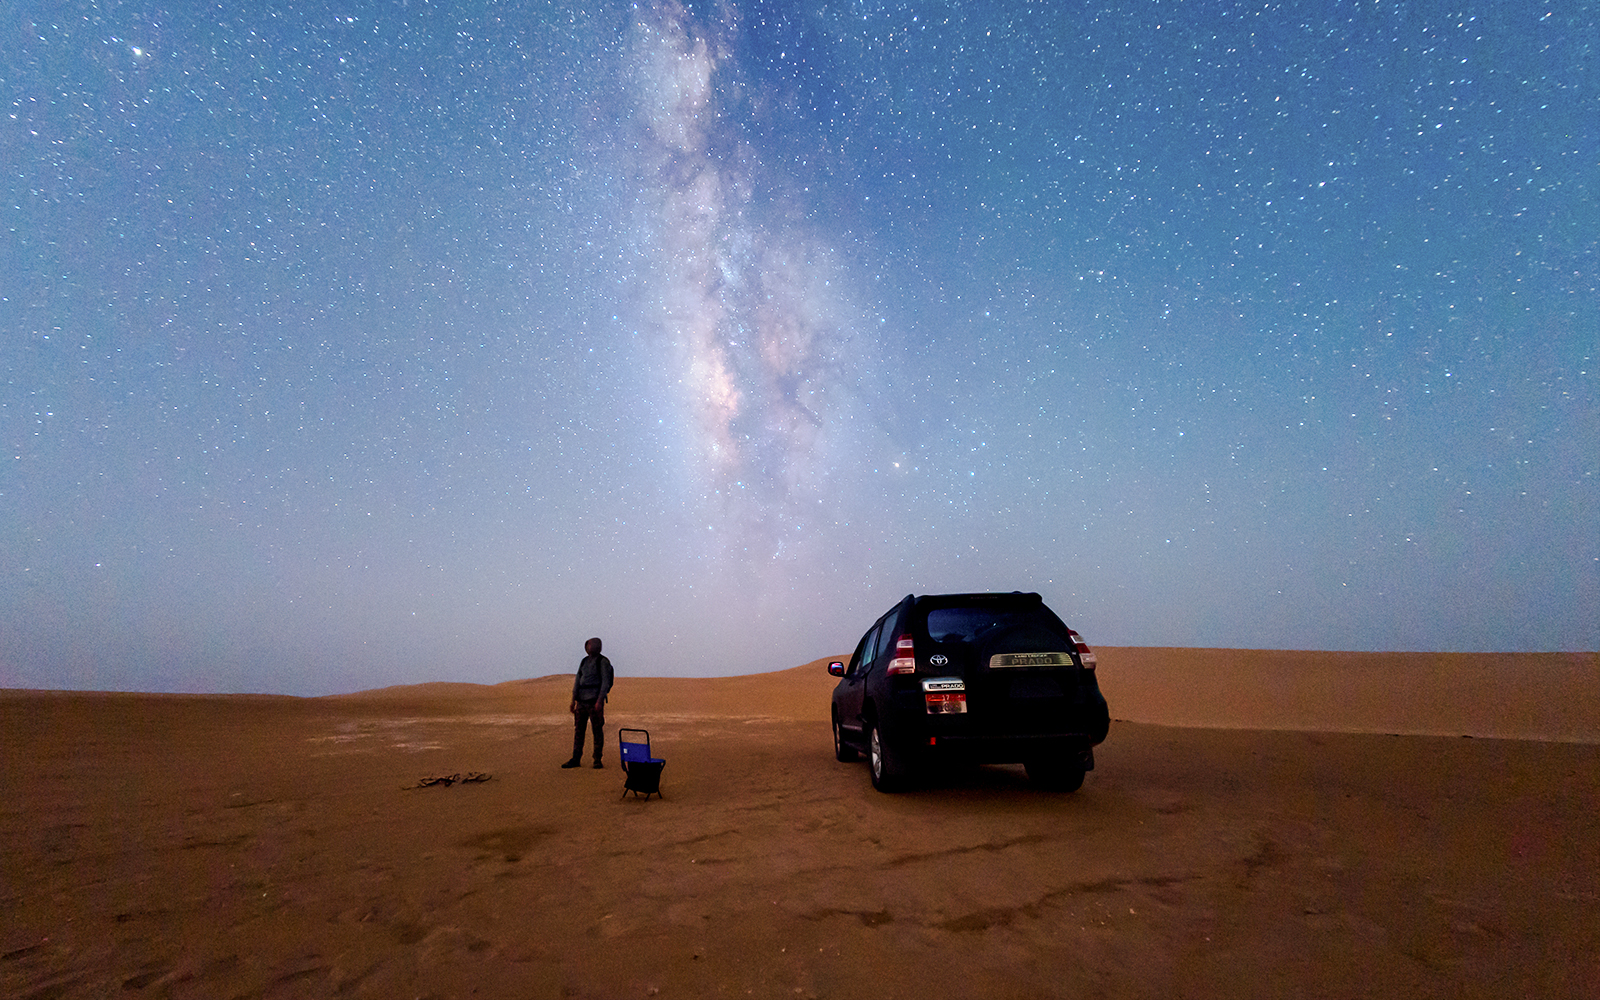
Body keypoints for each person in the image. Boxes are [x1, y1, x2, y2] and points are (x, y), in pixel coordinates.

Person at [562, 637, 614, 769]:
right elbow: (578, 680)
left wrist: (599, 701)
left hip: (594, 701)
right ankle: (576, 758)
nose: (587, 647)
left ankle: (597, 759)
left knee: (597, 731)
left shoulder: (603, 662)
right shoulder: (584, 661)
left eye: (589, 644)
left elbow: (605, 683)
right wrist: (573, 699)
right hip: (581, 701)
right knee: (579, 731)